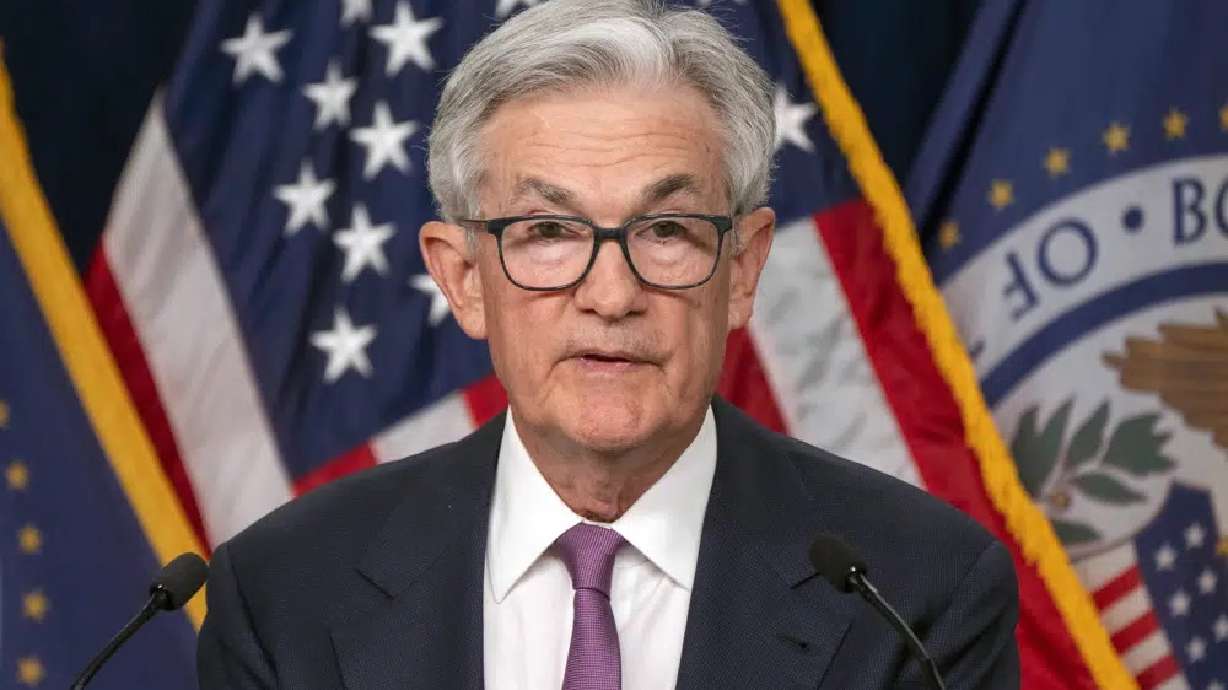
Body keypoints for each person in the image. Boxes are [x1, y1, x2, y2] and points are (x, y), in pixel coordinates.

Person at [197, 1, 1019, 688]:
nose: (611, 295)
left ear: (742, 268)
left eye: (667, 229)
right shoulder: (285, 594)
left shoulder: (918, 592)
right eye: (549, 230)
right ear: (463, 278)